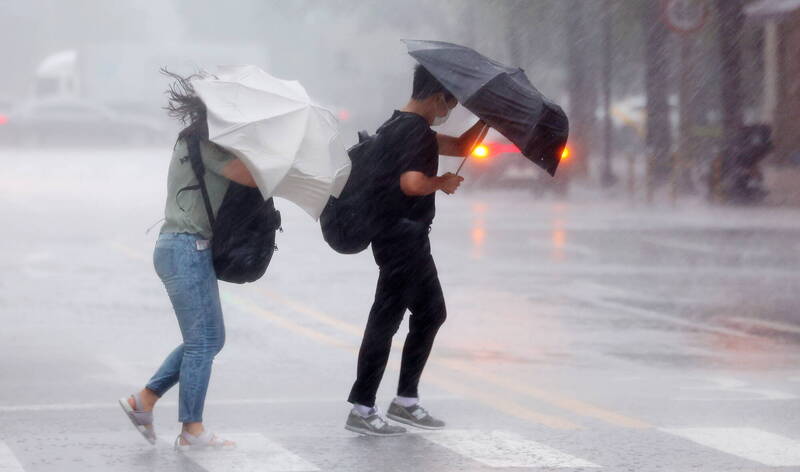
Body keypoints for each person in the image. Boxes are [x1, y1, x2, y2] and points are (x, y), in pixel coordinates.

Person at [345, 65, 488, 436]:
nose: (451, 109)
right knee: (387, 320)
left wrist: (487, 120)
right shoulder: (414, 132)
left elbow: (458, 146)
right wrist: (441, 182)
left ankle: (405, 400)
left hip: (401, 236)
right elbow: (410, 183)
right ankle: (363, 406)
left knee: (430, 312)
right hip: (401, 238)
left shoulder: (400, 126)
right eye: (450, 102)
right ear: (437, 97)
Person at [119, 71, 257, 450]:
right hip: (185, 247)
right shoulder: (206, 142)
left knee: (211, 339)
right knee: (203, 342)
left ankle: (143, 401)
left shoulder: (200, 139)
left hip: (184, 247)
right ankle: (191, 431)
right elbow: (248, 176)